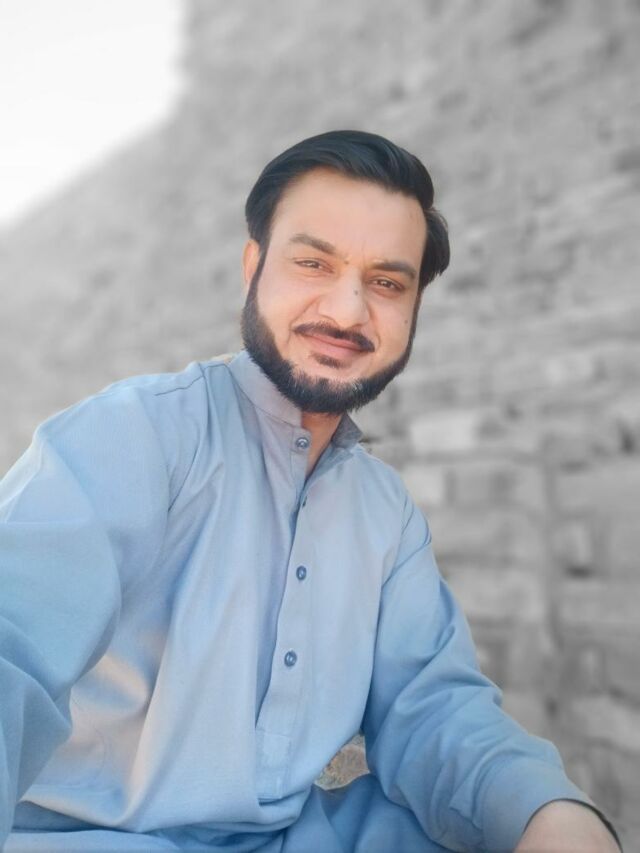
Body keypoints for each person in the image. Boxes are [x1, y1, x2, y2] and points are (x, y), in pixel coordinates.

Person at [0, 131, 620, 852]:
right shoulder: (134, 434)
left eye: (387, 283)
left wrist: (553, 816)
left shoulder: (385, 514)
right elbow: (13, 641)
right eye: (314, 263)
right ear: (253, 267)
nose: (349, 311)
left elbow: (433, 710)